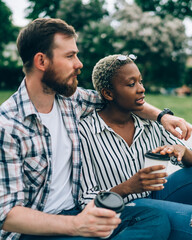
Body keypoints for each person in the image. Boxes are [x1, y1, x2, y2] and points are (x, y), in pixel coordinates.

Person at [0, 18, 190, 240]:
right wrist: (76, 225)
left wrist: (162, 116)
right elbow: (6, 215)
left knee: (153, 219)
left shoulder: (70, 100)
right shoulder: (9, 126)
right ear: (42, 61)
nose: (79, 64)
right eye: (70, 56)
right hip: (38, 231)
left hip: (83, 212)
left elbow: (121, 99)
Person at [79, 54, 192, 240]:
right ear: (108, 93)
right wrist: (129, 187)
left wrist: (184, 151)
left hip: (156, 196)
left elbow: (188, 158)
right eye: (131, 84)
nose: (141, 89)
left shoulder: (151, 123)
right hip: (124, 209)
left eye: (140, 81)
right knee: (188, 219)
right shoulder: (86, 132)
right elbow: (84, 200)